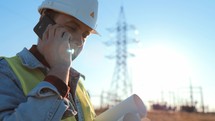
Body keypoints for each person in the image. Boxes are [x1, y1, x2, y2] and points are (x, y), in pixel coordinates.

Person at [0, 0, 98, 121]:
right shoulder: (5, 72)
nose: (79, 41)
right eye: (72, 27)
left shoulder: (79, 87)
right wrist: (58, 72)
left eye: (85, 35)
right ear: (44, 21)